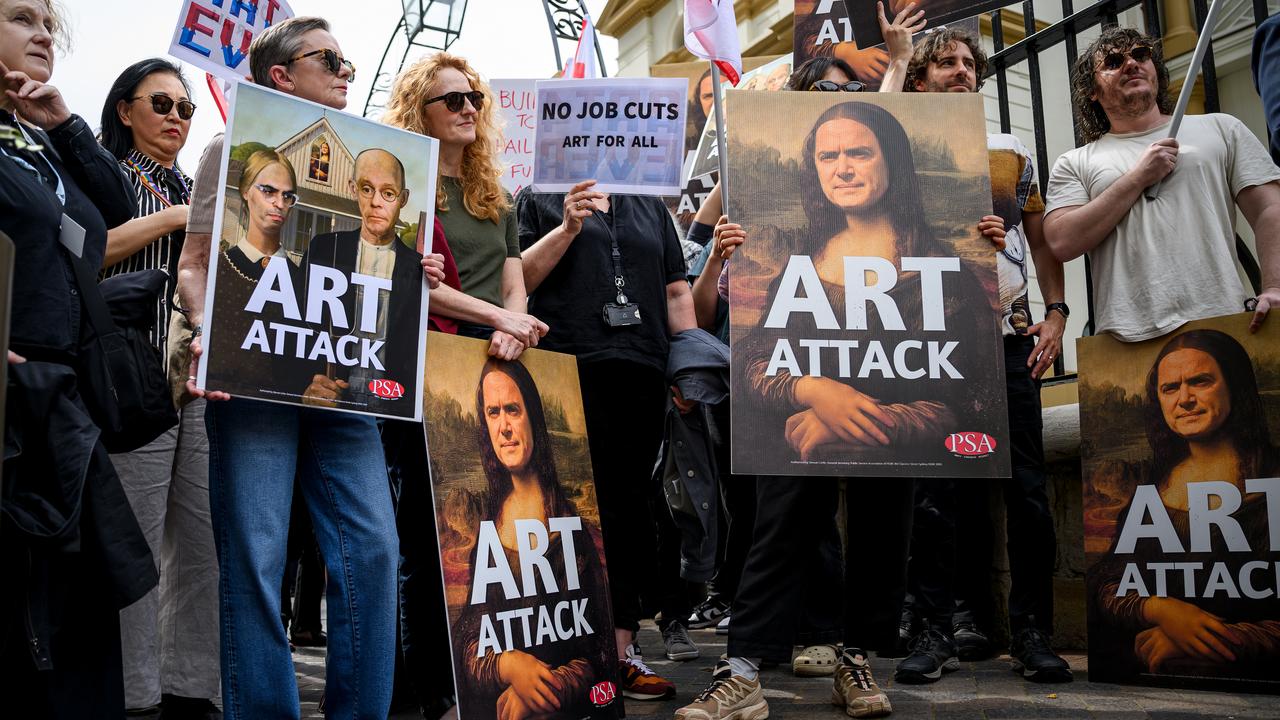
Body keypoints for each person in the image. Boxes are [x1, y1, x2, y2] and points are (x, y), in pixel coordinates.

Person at [677, 49, 1006, 718]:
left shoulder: (941, 263)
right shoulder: (786, 254)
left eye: (861, 152)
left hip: (895, 438)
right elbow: (754, 356)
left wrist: (872, 417)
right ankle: (742, 672)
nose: (845, 167)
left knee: (886, 528)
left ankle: (857, 664)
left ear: (893, 162)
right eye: (829, 156)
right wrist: (812, 393)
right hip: (790, 435)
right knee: (780, 523)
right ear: (811, 169)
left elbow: (968, 387)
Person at [174, 16, 443, 718]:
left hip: (345, 391)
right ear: (280, 77)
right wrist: (206, 331)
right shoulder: (227, 152)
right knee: (258, 560)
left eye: (350, 63)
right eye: (330, 60)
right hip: (254, 383)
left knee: (374, 554)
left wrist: (417, 273)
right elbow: (195, 268)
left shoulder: (376, 166)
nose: (346, 73)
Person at [888, 23, 1073, 684]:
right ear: (919, 79)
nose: (962, 72)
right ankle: (934, 630)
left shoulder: (1008, 149)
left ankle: (1032, 632)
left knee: (1027, 495)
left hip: (1007, 338)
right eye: (945, 64)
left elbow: (1042, 240)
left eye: (969, 64)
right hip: (926, 345)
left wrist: (1055, 314)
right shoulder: (894, 143)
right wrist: (900, 56)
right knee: (934, 496)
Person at [0, 0, 157, 715]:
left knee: (79, 617)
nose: (41, 35)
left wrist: (65, 123)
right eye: (20, 18)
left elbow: (117, 209)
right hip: (11, 394)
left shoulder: (40, 137)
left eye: (47, 25)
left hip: (64, 396)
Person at [382, 51, 547, 718]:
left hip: (492, 372)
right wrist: (503, 318)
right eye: (451, 100)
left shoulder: (494, 196)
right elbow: (428, 292)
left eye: (473, 97)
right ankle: (425, 691)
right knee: (427, 542)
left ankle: (473, 683)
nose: (468, 108)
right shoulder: (404, 191)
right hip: (426, 374)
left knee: (485, 544)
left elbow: (514, 280)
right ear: (417, 114)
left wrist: (511, 328)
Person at [518, 167, 698, 697]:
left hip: (640, 371)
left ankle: (621, 653)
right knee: (562, 509)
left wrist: (687, 368)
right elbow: (519, 281)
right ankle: (561, 652)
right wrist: (568, 226)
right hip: (565, 369)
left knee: (627, 506)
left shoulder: (648, 203)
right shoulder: (538, 197)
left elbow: (675, 292)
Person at [97, 57, 223, 718]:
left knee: (203, 543)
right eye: (161, 104)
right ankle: (134, 693)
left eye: (186, 108)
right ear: (125, 109)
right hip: (133, 375)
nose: (176, 117)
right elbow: (88, 249)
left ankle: (192, 686)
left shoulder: (201, 182)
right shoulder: (105, 173)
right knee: (138, 543)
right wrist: (176, 218)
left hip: (199, 382)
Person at [1044, 26, 1280, 341]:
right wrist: (1138, 177)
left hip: (1221, 320)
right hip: (1126, 338)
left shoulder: (1222, 128)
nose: (1131, 64)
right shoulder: (1076, 162)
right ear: (1092, 91)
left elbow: (1269, 208)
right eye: (1114, 62)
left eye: (1141, 55)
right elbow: (1061, 241)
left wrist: (1275, 288)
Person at [1088, 329, 1279, 680]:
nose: (1185, 399)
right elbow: (1107, 584)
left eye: (1200, 381)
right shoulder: (1150, 492)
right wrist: (1159, 609)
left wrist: (1219, 641)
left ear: (1234, 385)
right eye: (1170, 388)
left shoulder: (1273, 479)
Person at [448, 359, 614, 720]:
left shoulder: (570, 525)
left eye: (513, 409)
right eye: (493, 413)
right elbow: (467, 640)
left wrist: (543, 689)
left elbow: (599, 649)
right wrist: (507, 666)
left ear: (533, 418)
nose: (505, 427)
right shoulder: (488, 530)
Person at [299, 148, 425, 416]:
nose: (376, 202)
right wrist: (305, 386)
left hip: (392, 412)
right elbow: (294, 328)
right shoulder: (324, 250)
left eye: (388, 193)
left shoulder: (419, 268)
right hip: (327, 405)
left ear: (403, 199)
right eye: (367, 189)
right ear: (352, 189)